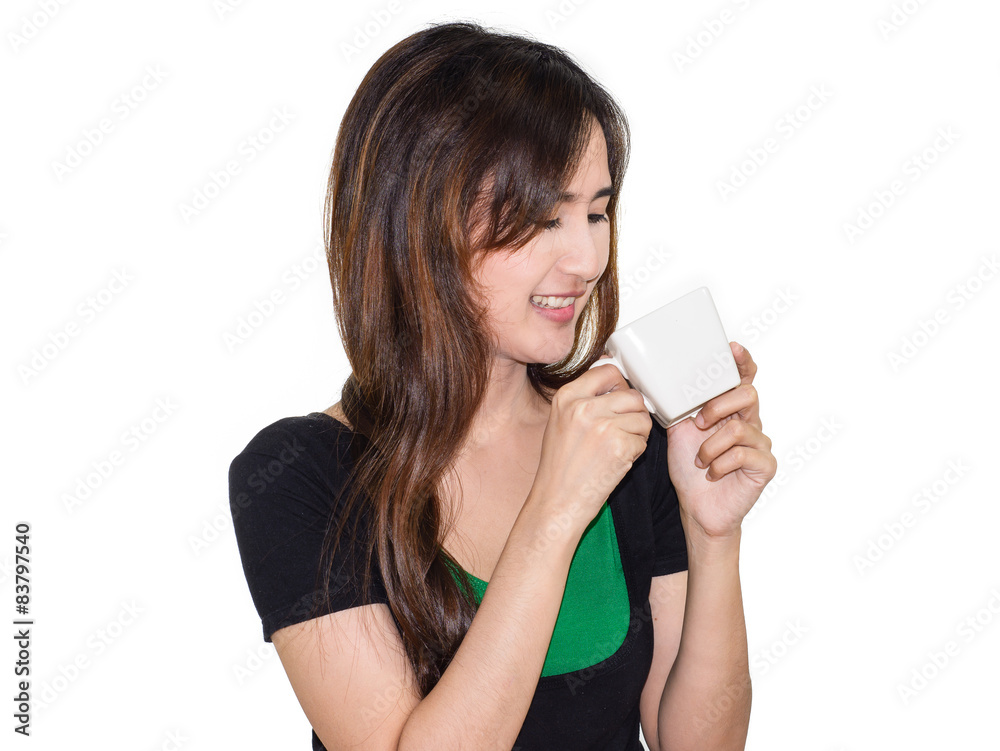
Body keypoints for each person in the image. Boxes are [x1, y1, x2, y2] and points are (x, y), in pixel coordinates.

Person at [228, 20, 777, 751]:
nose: (586, 258)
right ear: (420, 226)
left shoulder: (627, 443)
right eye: (542, 218)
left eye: (596, 212)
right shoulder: (301, 476)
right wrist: (554, 511)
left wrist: (714, 535)